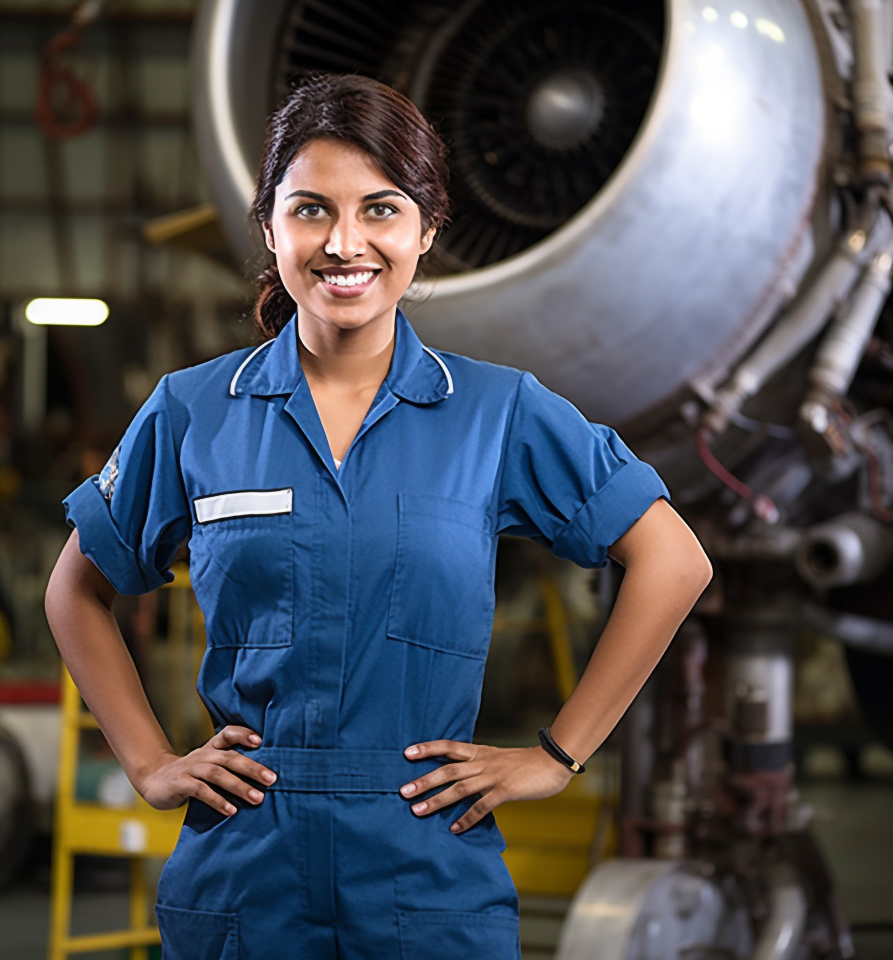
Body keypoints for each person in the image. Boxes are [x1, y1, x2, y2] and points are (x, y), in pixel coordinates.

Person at [45, 72, 712, 960]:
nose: (344, 243)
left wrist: (555, 756)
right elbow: (75, 590)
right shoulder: (194, 410)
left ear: (427, 230)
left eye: (382, 210)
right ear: (271, 226)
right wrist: (149, 762)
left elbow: (673, 561)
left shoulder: (498, 412)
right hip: (247, 860)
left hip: (425, 863)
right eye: (311, 209)